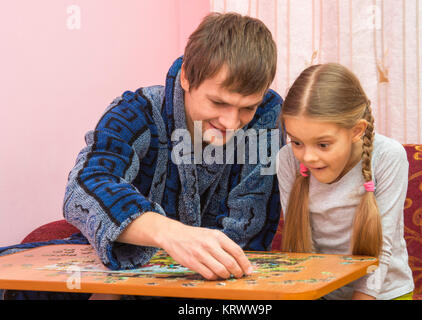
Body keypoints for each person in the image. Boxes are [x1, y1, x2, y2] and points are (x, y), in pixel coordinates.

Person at [0, 12, 283, 300]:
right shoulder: (137, 111)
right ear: (186, 77)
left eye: (247, 108)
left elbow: (250, 230)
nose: (231, 122)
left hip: (215, 287)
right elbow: (85, 185)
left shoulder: (265, 120)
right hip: (119, 269)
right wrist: (170, 234)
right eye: (218, 102)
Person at [276, 63, 414, 300]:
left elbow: (382, 249)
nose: (307, 157)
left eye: (323, 144)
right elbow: (300, 249)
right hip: (323, 292)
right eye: (297, 142)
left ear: (356, 130)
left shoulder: (389, 156)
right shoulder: (287, 160)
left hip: (384, 293)